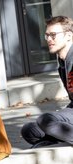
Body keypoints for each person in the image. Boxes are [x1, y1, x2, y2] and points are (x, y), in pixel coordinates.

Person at [21, 16, 73, 148]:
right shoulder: (63, 62)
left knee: (46, 120)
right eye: (47, 35)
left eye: (53, 35)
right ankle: (57, 141)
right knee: (29, 130)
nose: (49, 39)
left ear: (68, 36)